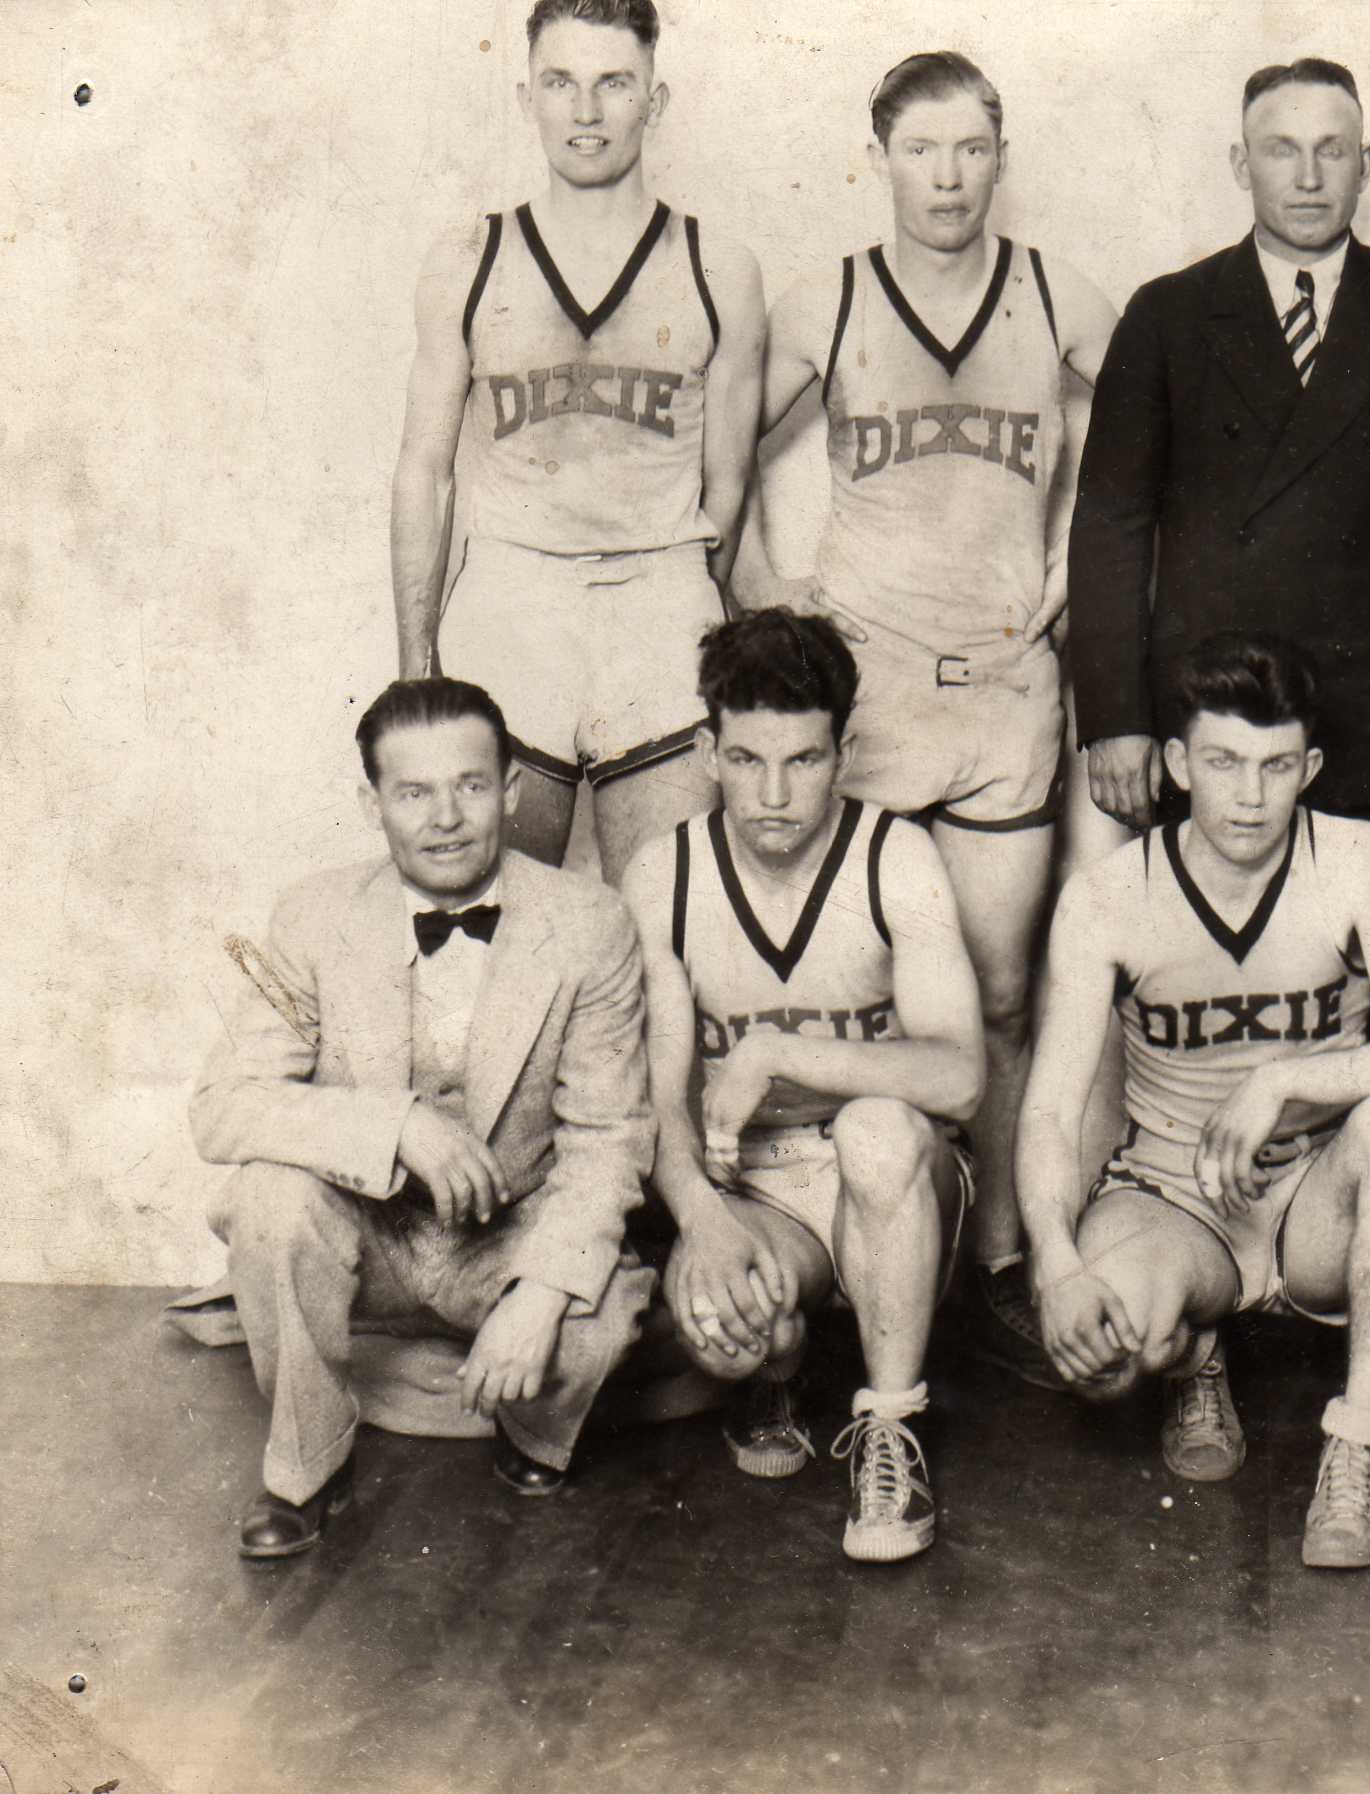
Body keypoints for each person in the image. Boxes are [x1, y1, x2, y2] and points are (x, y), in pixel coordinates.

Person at [753, 52, 1118, 1386]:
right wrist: (776, 614)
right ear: (881, 157)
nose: (949, 177)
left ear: (998, 154)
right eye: (923, 151)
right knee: (847, 984)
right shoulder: (831, 300)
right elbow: (713, 446)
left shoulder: (1056, 296)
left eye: (971, 150)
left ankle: (1006, 1258)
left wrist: (1080, 575)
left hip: (1009, 686)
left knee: (1007, 992)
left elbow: (1155, 442)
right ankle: (851, 1248)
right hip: (874, 688)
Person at [1016, 634, 1370, 1569]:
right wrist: (1057, 1267)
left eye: (1276, 767)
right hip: (1175, 1196)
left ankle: (1360, 1447)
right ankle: (1195, 1352)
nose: (1250, 794)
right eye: (1224, 763)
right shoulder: (1111, 894)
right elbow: (1049, 1114)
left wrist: (1289, 1078)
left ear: (1309, 767)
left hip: (1314, 1196)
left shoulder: (1355, 858)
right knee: (1110, 1346)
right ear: (1180, 763)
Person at [192, 679, 655, 1560]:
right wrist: (396, 1126)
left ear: (513, 788)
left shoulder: (590, 922)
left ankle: (524, 1427)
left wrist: (542, 1297)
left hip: (507, 1238)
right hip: (372, 1238)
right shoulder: (314, 914)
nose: (447, 817)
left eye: (472, 785)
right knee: (269, 1200)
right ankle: (307, 1468)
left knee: (592, 1320)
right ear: (372, 803)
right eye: (413, 793)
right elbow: (224, 1109)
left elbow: (610, 1141)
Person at [1067, 57, 1370, 889]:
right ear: (1242, 166)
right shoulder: (1166, 314)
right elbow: (1109, 533)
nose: (1309, 178)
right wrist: (1115, 720)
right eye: (1281, 151)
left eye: (1332, 150)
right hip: (1213, 721)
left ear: (1365, 165)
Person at [617, 609, 985, 1563]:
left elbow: (960, 1077)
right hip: (756, 1189)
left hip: (890, 1181)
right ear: (707, 751)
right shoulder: (665, 873)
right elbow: (657, 1095)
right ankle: (777, 1368)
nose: (775, 794)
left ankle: (892, 1428)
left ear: (844, 750)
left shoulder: (894, 854)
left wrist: (776, 1052)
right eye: (747, 760)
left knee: (878, 1130)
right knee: (728, 1333)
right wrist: (702, 1218)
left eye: (805, 760)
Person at [391, 0, 766, 874]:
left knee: (666, 917)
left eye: (614, 85)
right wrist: (418, 669)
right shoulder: (468, 259)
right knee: (494, 919)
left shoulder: (719, 267)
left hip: (658, 596)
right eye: (561, 83)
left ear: (655, 100)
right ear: (528, 97)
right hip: (512, 598)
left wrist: (682, 595)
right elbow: (424, 473)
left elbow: (730, 487)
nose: (586, 112)